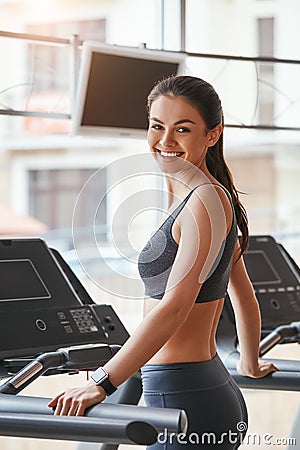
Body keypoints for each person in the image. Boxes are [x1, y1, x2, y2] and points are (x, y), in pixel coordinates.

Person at [48, 75, 277, 448]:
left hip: (185, 397)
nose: (166, 141)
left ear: (212, 135)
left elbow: (174, 308)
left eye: (182, 129)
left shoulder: (203, 201)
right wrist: (248, 362)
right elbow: (243, 294)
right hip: (195, 387)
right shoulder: (204, 197)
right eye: (157, 126)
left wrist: (102, 383)